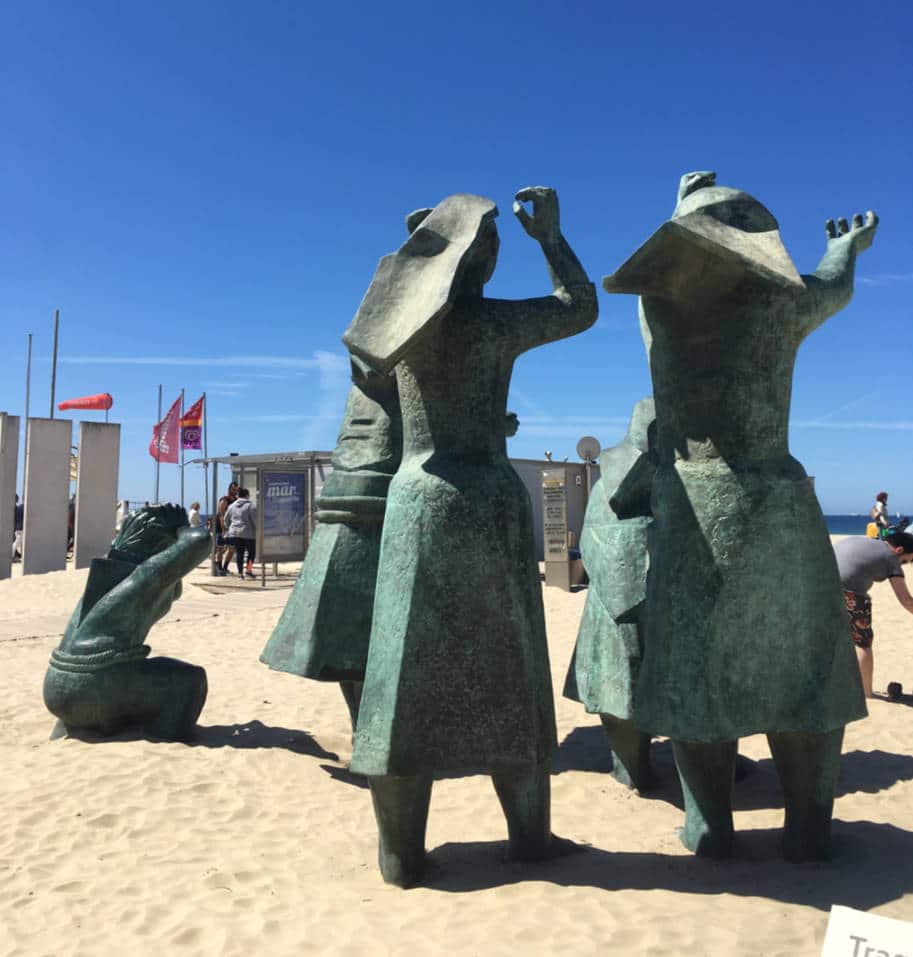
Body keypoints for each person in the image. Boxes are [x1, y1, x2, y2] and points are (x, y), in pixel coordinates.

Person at [834, 531, 913, 698]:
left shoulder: (868, 542)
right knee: (863, 642)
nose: (903, 565)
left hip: (821, 584)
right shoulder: (891, 557)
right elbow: (906, 600)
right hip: (848, 591)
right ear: (898, 550)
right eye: (906, 561)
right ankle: (866, 693)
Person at [223, 487, 256, 579]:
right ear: (246, 495)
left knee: (239, 553)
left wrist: (230, 526)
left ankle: (240, 573)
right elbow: (255, 520)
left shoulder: (232, 506)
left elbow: (226, 520)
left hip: (235, 533)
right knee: (251, 553)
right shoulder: (250, 505)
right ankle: (249, 570)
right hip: (249, 533)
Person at [214, 482, 238, 575]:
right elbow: (221, 515)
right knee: (220, 549)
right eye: (233, 489)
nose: (235, 491)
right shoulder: (224, 500)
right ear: (229, 489)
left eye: (236, 490)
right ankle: (219, 567)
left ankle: (224, 567)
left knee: (231, 549)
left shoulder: (236, 500)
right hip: (221, 528)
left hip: (232, 528)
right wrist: (224, 529)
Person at [12, 493, 23, 562]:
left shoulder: (16, 507)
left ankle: (16, 555)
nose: (17, 500)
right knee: (16, 542)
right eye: (17, 498)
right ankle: (12, 556)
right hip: (17, 527)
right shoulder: (17, 507)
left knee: (16, 542)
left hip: (16, 527)